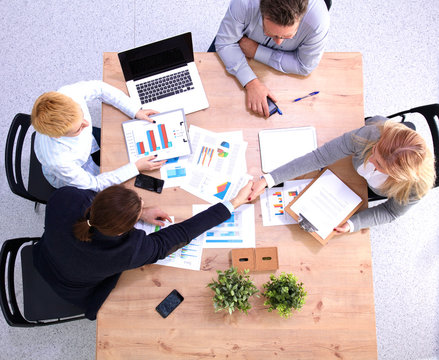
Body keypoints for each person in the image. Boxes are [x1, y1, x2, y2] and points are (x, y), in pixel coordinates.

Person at [33, 181, 253, 320]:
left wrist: (137, 213)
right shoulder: (127, 251)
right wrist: (234, 202)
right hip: (74, 291)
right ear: (123, 232)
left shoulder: (65, 197)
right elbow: (179, 235)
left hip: (44, 257)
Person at [248, 118, 436, 233]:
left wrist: (354, 224)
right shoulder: (371, 135)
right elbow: (319, 157)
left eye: (379, 165)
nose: (370, 161)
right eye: (375, 151)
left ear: (398, 176)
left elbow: (391, 212)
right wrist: (269, 179)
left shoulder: (415, 188)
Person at [31, 80, 166, 192]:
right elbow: (95, 184)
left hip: (86, 147)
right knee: (126, 187)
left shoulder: (68, 95)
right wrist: (135, 168)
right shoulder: (59, 161)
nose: (87, 123)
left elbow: (100, 88)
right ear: (59, 136)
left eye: (82, 115)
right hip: (77, 173)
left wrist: (135, 110)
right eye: (79, 128)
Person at [214, 0, 329, 117]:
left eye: (288, 36)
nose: (279, 43)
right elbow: (225, 44)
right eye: (271, 33)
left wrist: (257, 51)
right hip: (238, 49)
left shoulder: (318, 21)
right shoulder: (244, 3)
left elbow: (305, 66)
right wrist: (251, 83)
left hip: (248, 49)